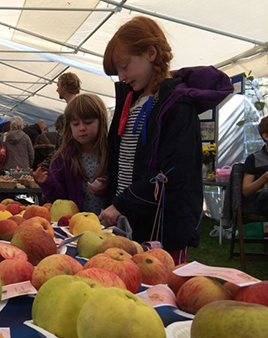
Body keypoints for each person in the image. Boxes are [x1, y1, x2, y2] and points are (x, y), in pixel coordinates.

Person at [99, 16, 233, 264]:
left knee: (158, 293)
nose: (121, 77)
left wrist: (124, 203)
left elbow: (172, 171)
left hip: (162, 231)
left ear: (150, 52)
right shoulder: (132, 102)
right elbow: (132, 162)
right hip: (130, 221)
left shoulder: (176, 105)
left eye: (125, 67)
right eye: (117, 71)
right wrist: (110, 184)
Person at [32, 94, 108, 213]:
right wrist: (47, 183)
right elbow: (58, 199)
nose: (82, 128)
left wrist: (107, 184)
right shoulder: (62, 159)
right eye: (76, 124)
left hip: (108, 226)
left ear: (101, 121)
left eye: (88, 122)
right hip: (72, 226)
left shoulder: (112, 153)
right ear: (69, 126)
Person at [243, 117, 268, 214]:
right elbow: (246, 191)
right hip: (261, 202)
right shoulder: (254, 159)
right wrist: (264, 178)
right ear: (266, 136)